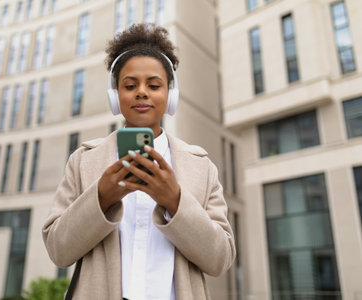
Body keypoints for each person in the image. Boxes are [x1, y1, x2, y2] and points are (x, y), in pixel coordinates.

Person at [42, 23, 236, 300]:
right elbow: (58, 251)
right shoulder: (84, 160)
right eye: (130, 85)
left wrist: (175, 201)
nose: (141, 92)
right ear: (115, 96)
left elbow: (220, 259)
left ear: (171, 95)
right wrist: (101, 198)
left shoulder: (201, 166)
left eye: (154, 85)